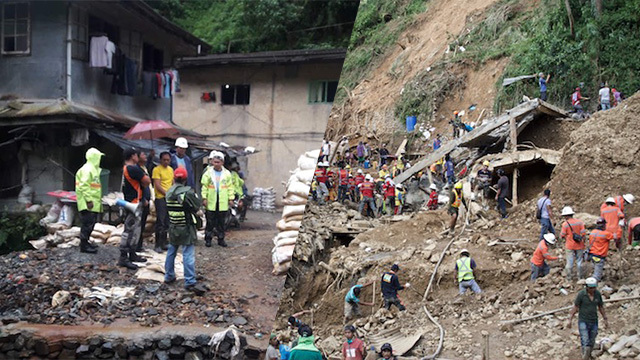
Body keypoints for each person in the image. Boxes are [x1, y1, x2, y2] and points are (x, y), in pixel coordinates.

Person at [164, 167, 206, 295]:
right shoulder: (188, 192)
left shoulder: (169, 192)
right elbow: (197, 205)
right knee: (188, 253)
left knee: (171, 251)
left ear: (174, 178)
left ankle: (169, 276)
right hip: (186, 227)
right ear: (186, 179)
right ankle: (189, 280)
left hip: (173, 226)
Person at [119, 147, 151, 270]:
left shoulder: (127, 168)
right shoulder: (132, 168)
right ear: (133, 156)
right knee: (129, 230)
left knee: (135, 230)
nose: (138, 157)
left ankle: (132, 254)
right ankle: (123, 257)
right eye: (137, 155)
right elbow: (147, 181)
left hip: (132, 202)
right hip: (133, 203)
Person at [567, 277, 609, 360]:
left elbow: (600, 307)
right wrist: (570, 320)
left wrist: (605, 319)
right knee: (585, 339)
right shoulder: (581, 295)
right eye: (591, 288)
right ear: (586, 287)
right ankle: (585, 355)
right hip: (583, 320)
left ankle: (588, 354)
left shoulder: (597, 294)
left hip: (594, 320)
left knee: (592, 339)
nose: (592, 289)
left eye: (594, 287)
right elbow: (575, 307)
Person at [201, 151, 235, 247]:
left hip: (222, 201)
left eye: (218, 162)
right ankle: (208, 239)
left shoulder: (227, 174)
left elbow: (230, 187)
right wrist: (204, 198)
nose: (216, 164)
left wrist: (231, 198)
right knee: (210, 221)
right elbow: (204, 186)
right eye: (214, 162)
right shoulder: (208, 173)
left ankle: (221, 239)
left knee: (221, 222)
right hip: (211, 200)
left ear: (222, 163)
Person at [74, 148, 104, 254]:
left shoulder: (93, 169)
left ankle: (86, 242)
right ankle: (84, 245)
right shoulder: (88, 169)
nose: (100, 159)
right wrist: (88, 200)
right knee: (87, 224)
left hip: (92, 202)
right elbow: (84, 185)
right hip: (88, 203)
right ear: (94, 157)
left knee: (90, 223)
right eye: (98, 157)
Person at [152, 151, 174, 253]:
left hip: (169, 198)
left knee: (167, 221)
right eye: (164, 160)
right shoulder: (156, 170)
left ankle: (164, 242)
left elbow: (172, 183)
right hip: (160, 198)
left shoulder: (170, 170)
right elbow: (157, 185)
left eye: (168, 160)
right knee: (160, 221)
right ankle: (158, 244)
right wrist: (166, 193)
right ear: (160, 160)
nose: (166, 162)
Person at [559, 207, 587, 280]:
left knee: (569, 262)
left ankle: (569, 278)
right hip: (580, 245)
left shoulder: (565, 224)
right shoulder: (580, 222)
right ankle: (580, 277)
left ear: (566, 216)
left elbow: (562, 235)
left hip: (570, 246)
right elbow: (583, 233)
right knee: (579, 262)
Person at [136, 151, 152, 253]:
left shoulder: (144, 168)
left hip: (146, 200)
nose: (145, 156)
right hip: (142, 201)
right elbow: (139, 186)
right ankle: (136, 245)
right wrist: (143, 199)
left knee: (143, 224)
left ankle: (139, 244)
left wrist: (151, 156)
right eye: (143, 154)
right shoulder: (137, 170)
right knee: (139, 224)